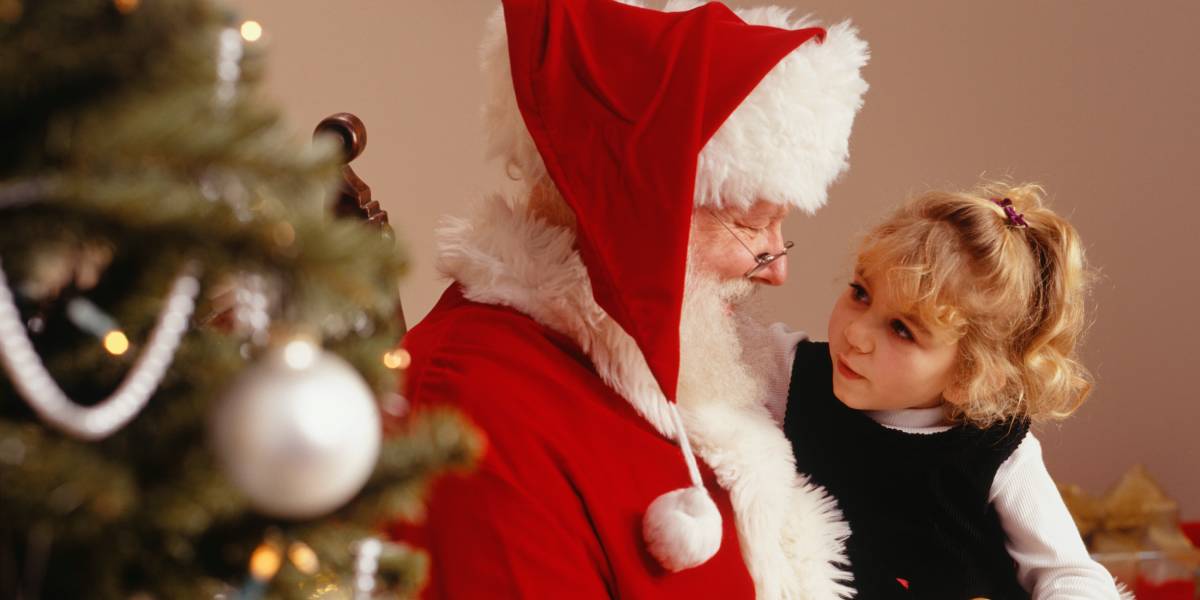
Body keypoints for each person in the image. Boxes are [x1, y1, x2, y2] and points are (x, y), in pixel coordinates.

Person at [392, 0, 869, 597]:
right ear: (634, 213)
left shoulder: (682, 376)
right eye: (752, 224)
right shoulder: (475, 408)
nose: (777, 268)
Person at [779, 182, 1129, 598]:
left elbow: (1072, 576)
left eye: (902, 329)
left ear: (969, 376)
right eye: (861, 293)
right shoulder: (788, 370)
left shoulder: (997, 450)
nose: (856, 333)